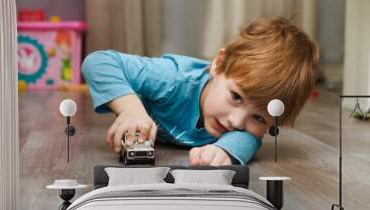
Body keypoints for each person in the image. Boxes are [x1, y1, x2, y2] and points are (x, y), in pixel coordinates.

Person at [81, 16, 319, 166]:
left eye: (259, 118)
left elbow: (248, 139)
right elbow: (98, 61)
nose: (236, 121)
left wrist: (224, 151)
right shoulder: (171, 78)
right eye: (236, 96)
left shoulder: (244, 130)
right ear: (218, 64)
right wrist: (130, 110)